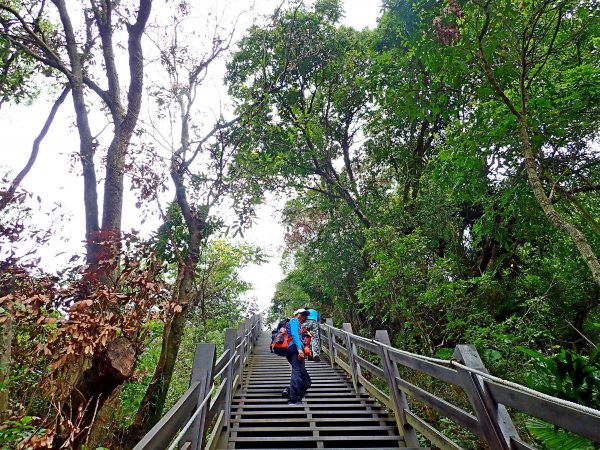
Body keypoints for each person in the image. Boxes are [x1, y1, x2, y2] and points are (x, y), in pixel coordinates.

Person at [282, 308, 312, 405]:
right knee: (297, 372)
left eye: (306, 316)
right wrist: (299, 349)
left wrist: (308, 335)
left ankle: (289, 390)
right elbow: (294, 334)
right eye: (303, 315)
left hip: (293, 349)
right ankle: (293, 398)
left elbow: (299, 336)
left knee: (306, 381)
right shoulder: (294, 321)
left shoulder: (299, 326)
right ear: (297, 314)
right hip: (295, 349)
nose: (304, 317)